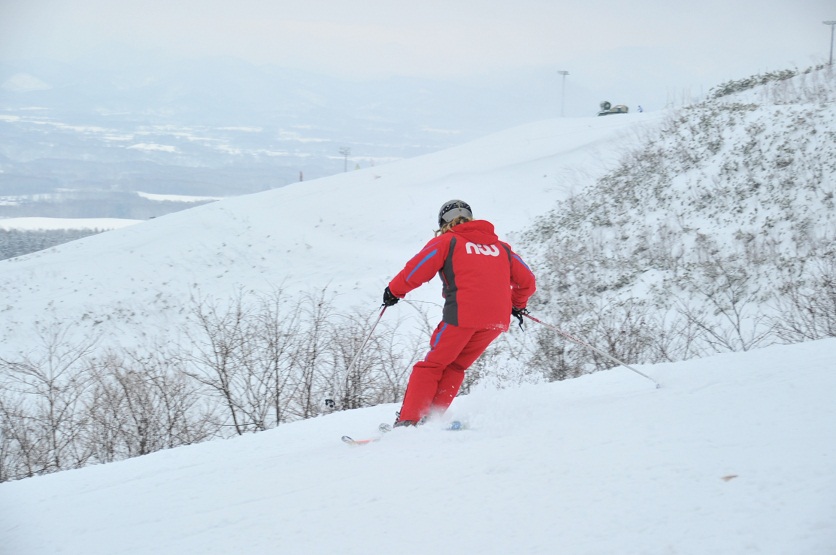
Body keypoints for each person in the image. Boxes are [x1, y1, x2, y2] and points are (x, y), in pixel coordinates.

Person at [382, 200, 536, 427]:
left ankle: (409, 421)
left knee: (431, 366)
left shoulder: (447, 241)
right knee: (455, 366)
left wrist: (393, 291)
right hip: (496, 320)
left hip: (461, 317)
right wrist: (517, 304)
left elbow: (417, 268)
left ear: (443, 222)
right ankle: (432, 418)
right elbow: (528, 281)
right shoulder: (501, 248)